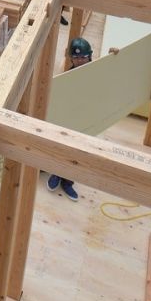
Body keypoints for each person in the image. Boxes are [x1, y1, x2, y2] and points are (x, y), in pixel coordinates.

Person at [47, 38, 94, 200]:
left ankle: (68, 181)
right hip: (70, 116)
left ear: (89, 57)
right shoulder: (69, 75)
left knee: (77, 151)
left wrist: (114, 55)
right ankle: (57, 172)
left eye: (83, 57)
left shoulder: (97, 71)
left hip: (86, 117)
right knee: (62, 145)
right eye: (76, 58)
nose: (80, 61)